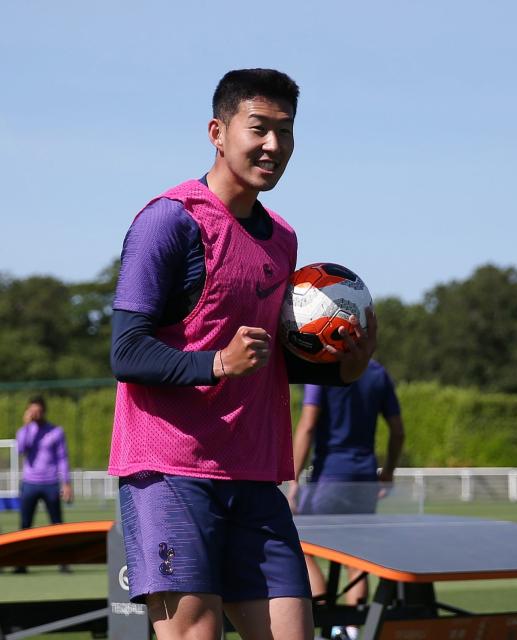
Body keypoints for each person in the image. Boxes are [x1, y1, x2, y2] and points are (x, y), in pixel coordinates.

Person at [108, 68, 375, 640]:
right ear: (217, 131)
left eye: (286, 131)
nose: (274, 145)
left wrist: (348, 362)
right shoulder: (169, 220)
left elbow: (277, 360)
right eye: (259, 128)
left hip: (255, 476)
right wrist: (216, 363)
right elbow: (126, 352)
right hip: (172, 470)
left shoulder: (283, 237)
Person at [287, 359, 405, 640]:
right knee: (356, 558)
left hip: (329, 479)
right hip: (364, 480)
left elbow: (307, 426)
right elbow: (398, 432)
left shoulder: (321, 371)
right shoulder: (379, 373)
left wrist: (292, 480)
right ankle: (349, 631)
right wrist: (387, 472)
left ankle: (325, 615)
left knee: (300, 545)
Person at [14, 395, 74, 574]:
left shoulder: (56, 431)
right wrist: (27, 426)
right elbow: (21, 449)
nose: (36, 414)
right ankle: (21, 563)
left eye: (39, 411)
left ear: (44, 411)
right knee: (25, 525)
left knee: (57, 525)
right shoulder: (24, 431)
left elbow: (62, 458)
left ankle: (63, 561)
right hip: (29, 483)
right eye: (33, 411)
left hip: (50, 484)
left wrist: (66, 483)